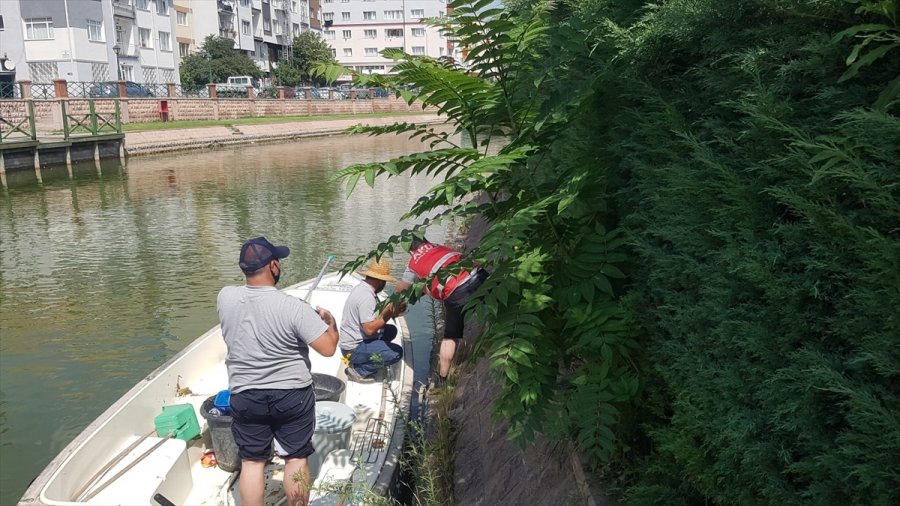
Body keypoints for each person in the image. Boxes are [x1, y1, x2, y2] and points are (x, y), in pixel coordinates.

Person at [217, 237, 339, 506]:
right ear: (273, 266)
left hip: (246, 394)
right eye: (278, 262)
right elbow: (328, 348)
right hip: (291, 395)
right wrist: (330, 323)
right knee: (295, 458)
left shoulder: (225, 297)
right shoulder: (294, 307)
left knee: (252, 462)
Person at [394, 236, 488, 386]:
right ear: (426, 242)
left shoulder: (413, 263)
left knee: (450, 337)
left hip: (457, 291)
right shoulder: (439, 247)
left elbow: (402, 288)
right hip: (479, 275)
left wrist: (394, 299)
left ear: (410, 251)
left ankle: (442, 377)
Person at [339, 258, 405, 383]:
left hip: (355, 340)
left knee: (391, 330)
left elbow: (372, 317)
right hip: (354, 348)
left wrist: (392, 311)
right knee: (396, 353)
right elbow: (369, 330)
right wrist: (389, 312)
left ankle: (371, 353)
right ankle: (359, 371)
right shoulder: (366, 297)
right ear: (380, 281)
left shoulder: (363, 288)